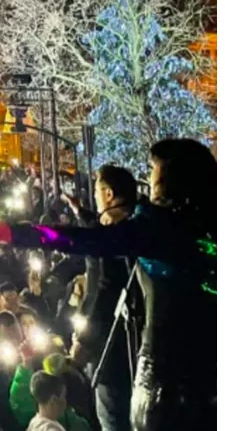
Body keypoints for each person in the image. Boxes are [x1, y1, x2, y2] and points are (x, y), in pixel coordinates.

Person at [0, 139, 217, 431]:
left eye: (154, 170)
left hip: (166, 380)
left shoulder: (160, 228)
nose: (149, 180)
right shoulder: (204, 226)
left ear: (173, 179)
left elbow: (87, 241)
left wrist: (10, 232)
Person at [67, 165, 139, 431]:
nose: (94, 197)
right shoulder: (133, 227)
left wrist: (84, 342)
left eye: (97, 191)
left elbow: (107, 291)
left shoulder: (112, 236)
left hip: (112, 351)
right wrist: (80, 212)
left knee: (113, 418)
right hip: (134, 350)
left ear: (108, 194)